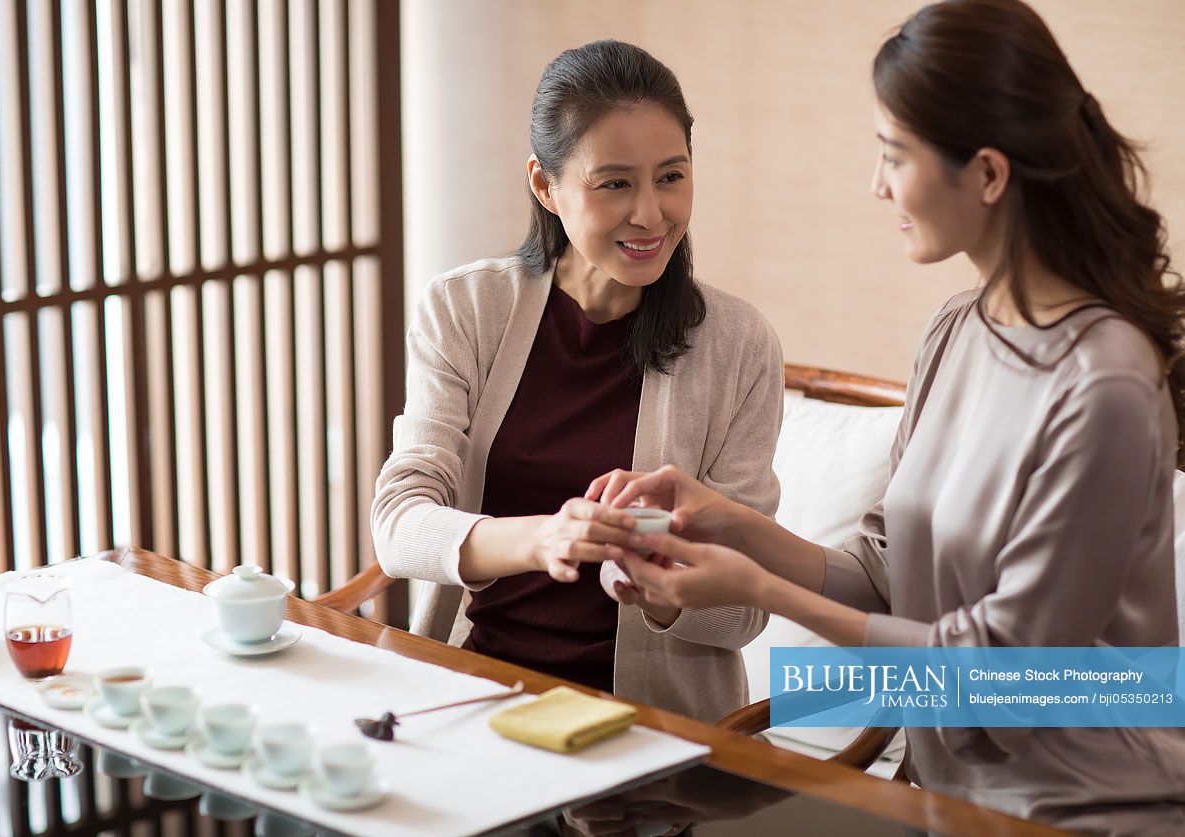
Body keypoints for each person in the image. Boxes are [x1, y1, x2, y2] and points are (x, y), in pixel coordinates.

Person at [592, 1, 1185, 832]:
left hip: (1083, 808)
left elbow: (1005, 680)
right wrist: (724, 521)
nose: (876, 185)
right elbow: (885, 573)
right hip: (941, 795)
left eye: (892, 155)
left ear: (985, 173)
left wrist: (760, 590)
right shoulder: (954, 331)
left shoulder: (1105, 385)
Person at [371, 40, 784, 723]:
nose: (651, 214)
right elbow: (400, 524)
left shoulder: (739, 345)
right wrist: (544, 539)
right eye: (615, 182)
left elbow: (741, 614)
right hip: (475, 701)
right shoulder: (465, 309)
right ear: (545, 185)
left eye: (671, 177)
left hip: (652, 731)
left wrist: (662, 589)